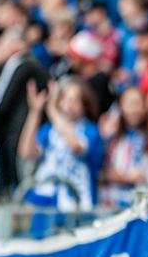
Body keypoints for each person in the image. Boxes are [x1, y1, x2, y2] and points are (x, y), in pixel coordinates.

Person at [0, 27, 49, 195]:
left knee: (16, 191)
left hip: (17, 140)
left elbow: (0, 99)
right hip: (28, 139)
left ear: (15, 45)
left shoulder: (18, 63)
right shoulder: (36, 65)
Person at [18, 79, 103, 213]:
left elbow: (76, 147)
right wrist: (35, 112)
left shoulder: (90, 130)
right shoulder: (49, 130)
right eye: (65, 99)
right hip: (46, 195)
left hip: (77, 199)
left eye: (75, 100)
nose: (69, 104)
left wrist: (53, 111)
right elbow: (26, 152)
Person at [100, 87, 148, 209]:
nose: (134, 110)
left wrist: (125, 178)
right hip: (111, 200)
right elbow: (101, 169)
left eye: (137, 104)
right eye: (130, 104)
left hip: (139, 202)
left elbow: (145, 174)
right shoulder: (111, 135)